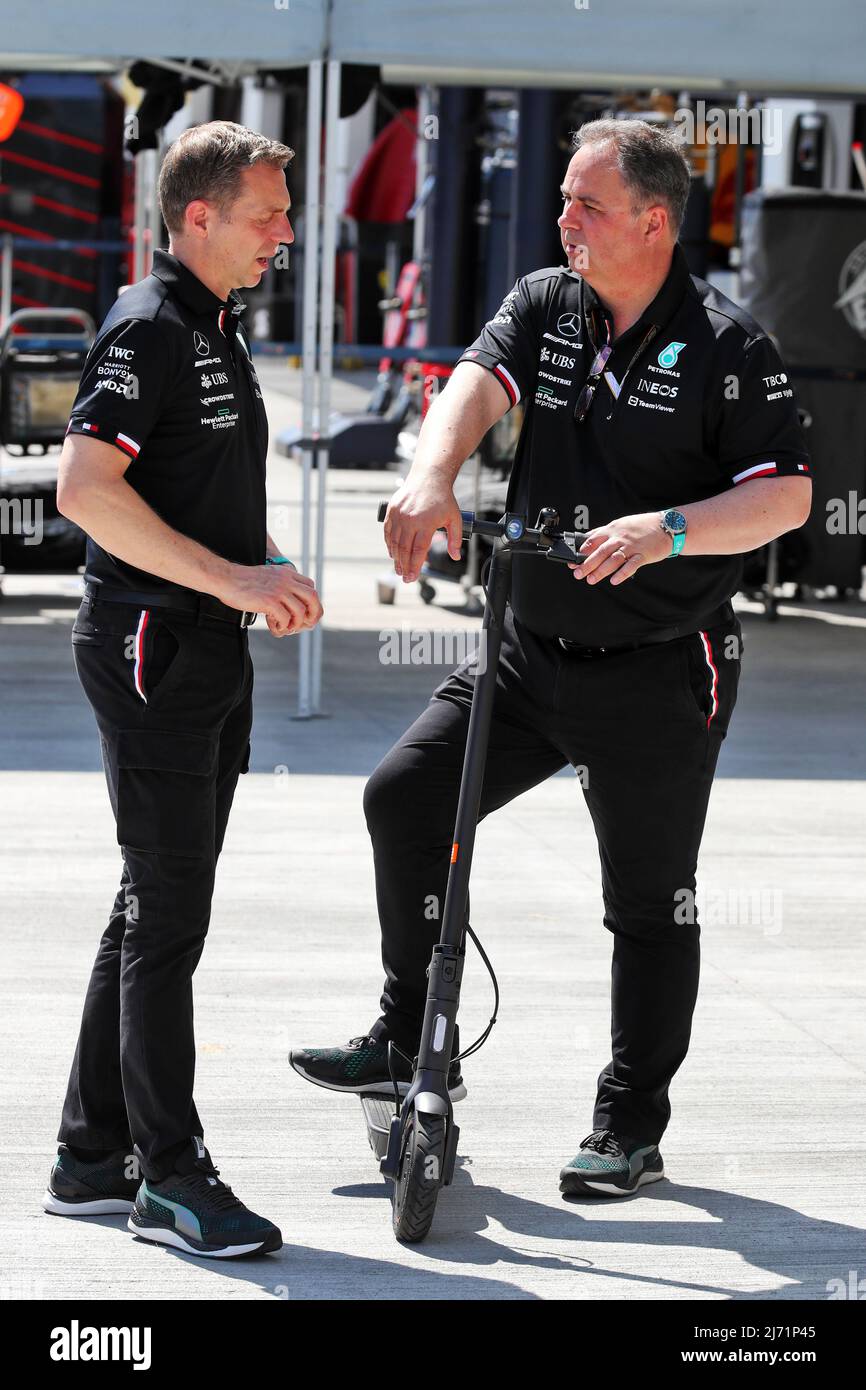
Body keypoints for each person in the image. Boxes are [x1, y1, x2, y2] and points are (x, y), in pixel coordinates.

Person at [290, 118, 811, 1197]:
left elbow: (786, 495)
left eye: (585, 205)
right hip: (526, 653)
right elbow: (472, 386)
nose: (561, 220)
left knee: (647, 899)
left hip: (662, 665)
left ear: (653, 222)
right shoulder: (546, 302)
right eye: (565, 200)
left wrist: (664, 528)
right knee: (403, 799)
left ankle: (628, 1125)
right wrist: (433, 475)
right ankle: (406, 1037)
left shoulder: (727, 345)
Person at [43, 121, 322, 1257]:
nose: (287, 234)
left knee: (152, 900)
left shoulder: (215, 323)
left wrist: (245, 589)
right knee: (167, 912)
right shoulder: (149, 324)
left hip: (203, 645)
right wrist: (237, 578)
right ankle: (169, 1174)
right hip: (153, 643)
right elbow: (82, 489)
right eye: (268, 214)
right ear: (196, 216)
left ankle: (88, 1153)